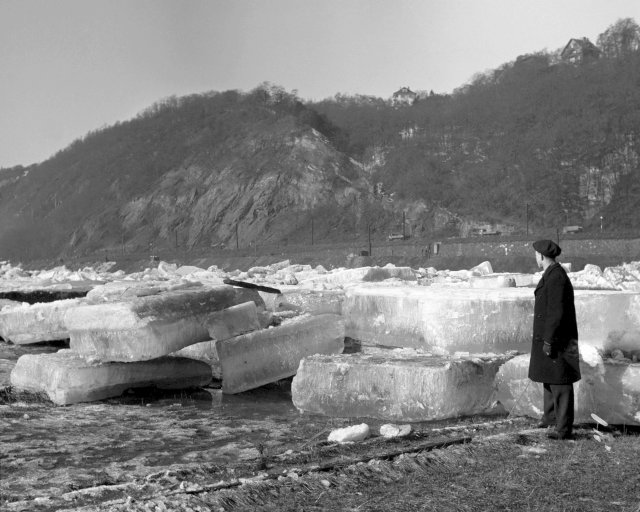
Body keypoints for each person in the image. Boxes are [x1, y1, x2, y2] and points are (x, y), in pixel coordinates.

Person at [528, 239, 581, 440]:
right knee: (549, 378)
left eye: (536, 254)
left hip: (558, 339)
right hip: (551, 336)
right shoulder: (552, 274)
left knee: (561, 382)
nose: (535, 257)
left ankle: (563, 428)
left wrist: (549, 340)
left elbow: (556, 312)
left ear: (541, 256)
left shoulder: (556, 276)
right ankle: (550, 418)